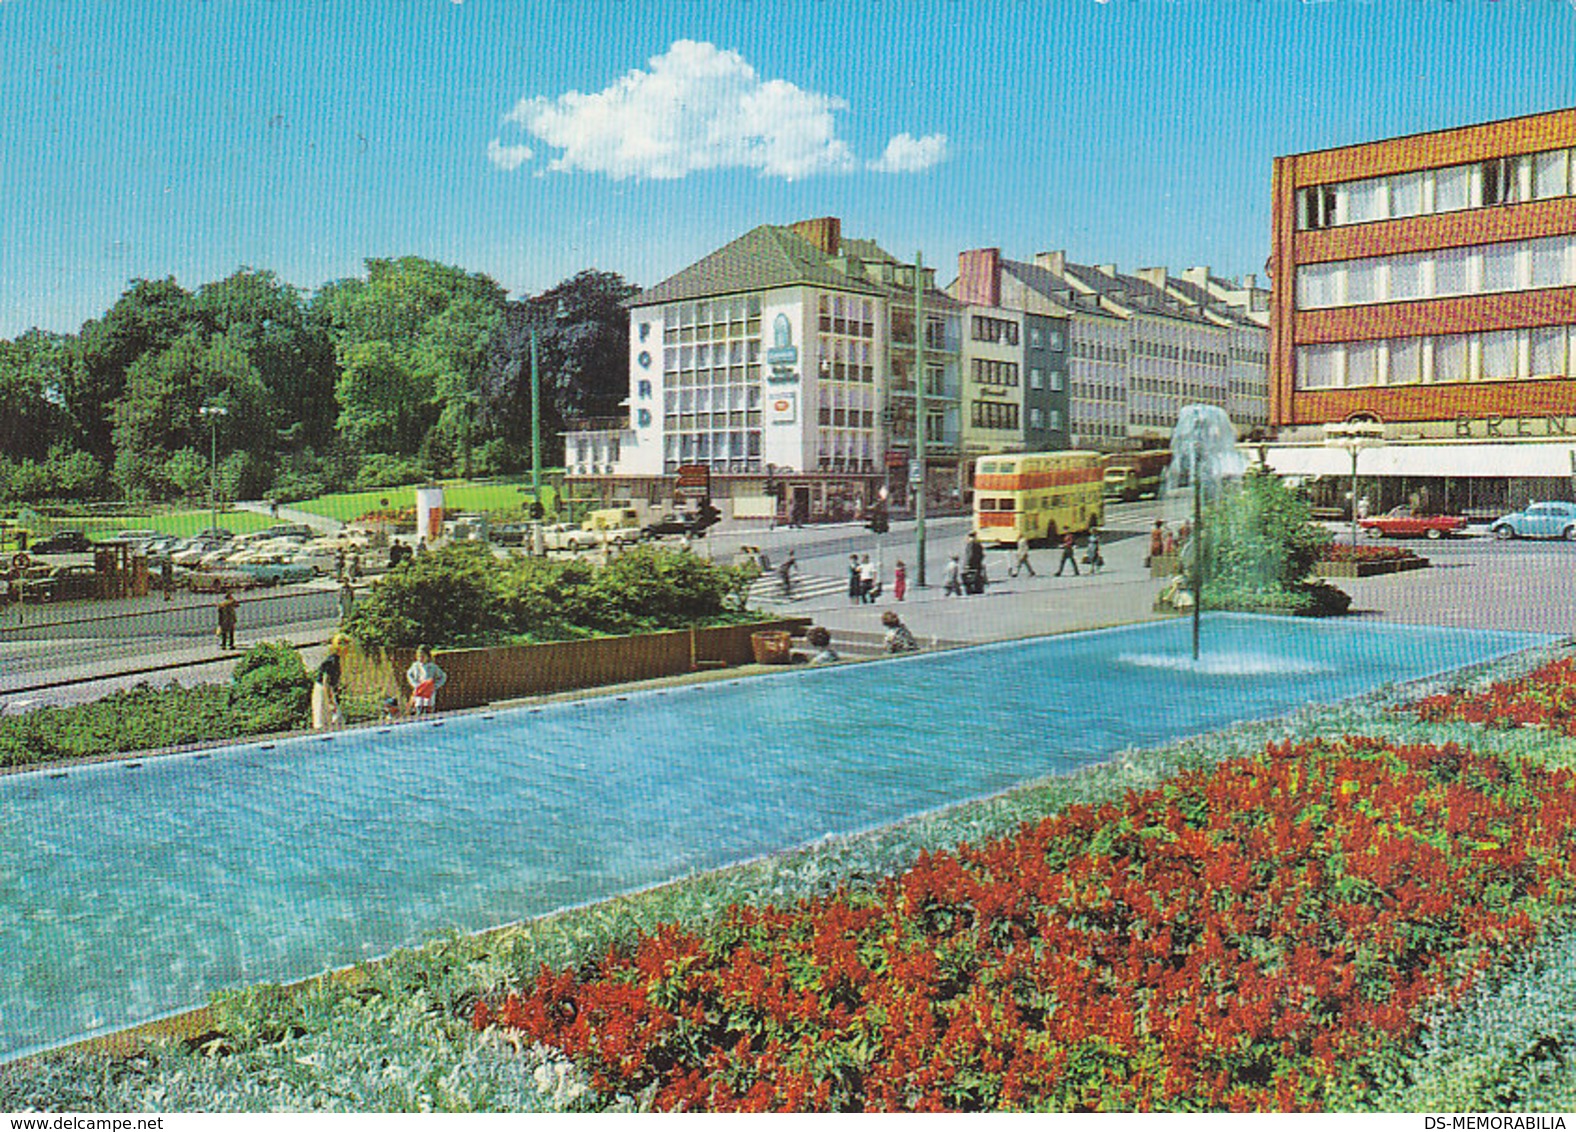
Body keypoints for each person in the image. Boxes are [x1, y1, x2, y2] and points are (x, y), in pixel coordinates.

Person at [312, 636, 345, 729]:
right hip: (322, 689)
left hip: (328, 689)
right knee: (321, 716)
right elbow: (325, 681)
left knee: (337, 718)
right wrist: (330, 700)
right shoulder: (331, 661)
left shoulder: (337, 659)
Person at [406, 645, 448, 717]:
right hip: (419, 689)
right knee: (419, 704)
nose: (420, 658)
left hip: (429, 690)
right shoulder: (415, 666)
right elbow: (409, 675)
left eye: (423, 656)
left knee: (428, 705)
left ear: (427, 656)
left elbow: (443, 676)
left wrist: (435, 686)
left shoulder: (432, 667)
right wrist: (415, 684)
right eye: (419, 656)